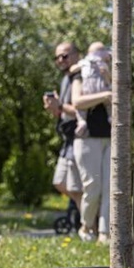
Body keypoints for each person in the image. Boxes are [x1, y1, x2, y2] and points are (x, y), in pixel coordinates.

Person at [71, 40, 112, 243]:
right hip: (87, 139)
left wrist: (109, 78)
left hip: (111, 137)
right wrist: (105, 95)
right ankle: (87, 227)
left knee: (110, 188)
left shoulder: (110, 72)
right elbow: (77, 101)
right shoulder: (80, 73)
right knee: (92, 187)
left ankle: (105, 233)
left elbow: (122, 94)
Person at [44, 41, 82, 211]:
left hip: (79, 137)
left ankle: (90, 224)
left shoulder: (79, 77)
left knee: (76, 186)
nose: (60, 59)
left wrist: (59, 105)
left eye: (65, 55)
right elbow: (65, 111)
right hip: (67, 140)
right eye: (57, 57)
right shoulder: (66, 79)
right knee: (60, 182)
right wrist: (56, 110)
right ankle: (88, 217)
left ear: (77, 55)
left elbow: (81, 110)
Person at [70, 42, 112, 138]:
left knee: (109, 105)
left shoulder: (104, 66)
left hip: (107, 135)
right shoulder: (82, 69)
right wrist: (105, 95)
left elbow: (111, 81)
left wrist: (107, 75)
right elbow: (77, 102)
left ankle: (111, 118)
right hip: (89, 136)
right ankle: (81, 122)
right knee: (81, 110)